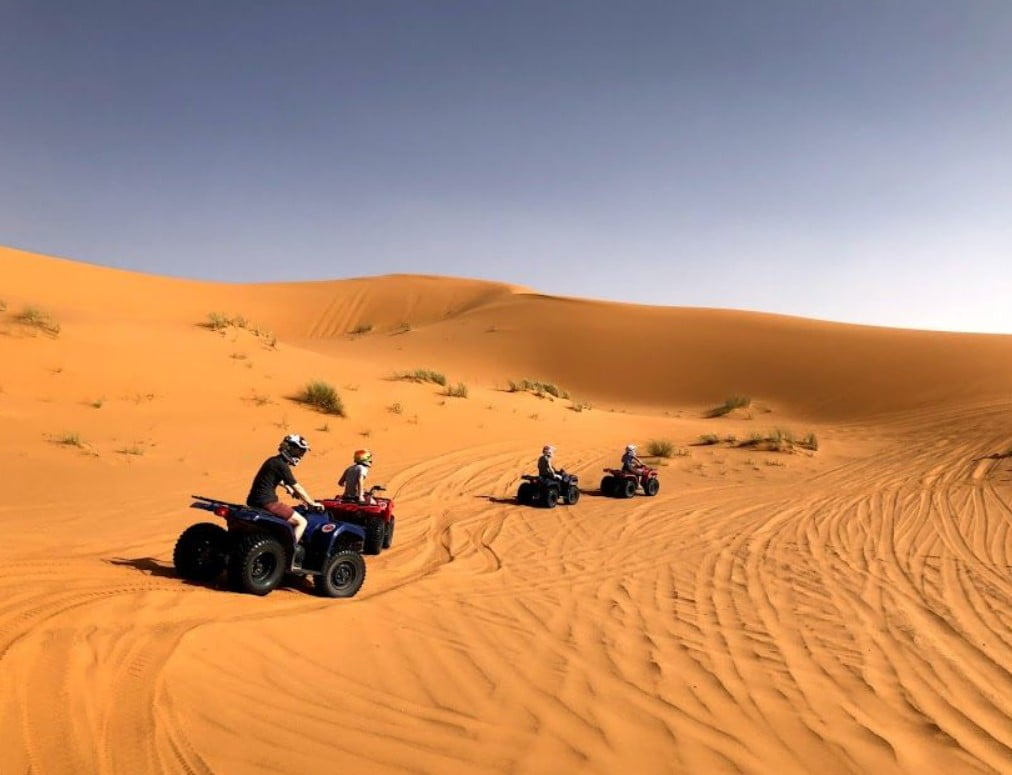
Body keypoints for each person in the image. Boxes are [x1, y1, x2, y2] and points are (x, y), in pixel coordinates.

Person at [246, 434, 324, 546]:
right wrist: (311, 503)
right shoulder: (282, 465)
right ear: (290, 448)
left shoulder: (273, 461)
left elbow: (274, 478)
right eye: (300, 451)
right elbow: (297, 486)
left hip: (254, 500)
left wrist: (287, 488)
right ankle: (288, 554)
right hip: (267, 503)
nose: (301, 455)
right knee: (301, 522)